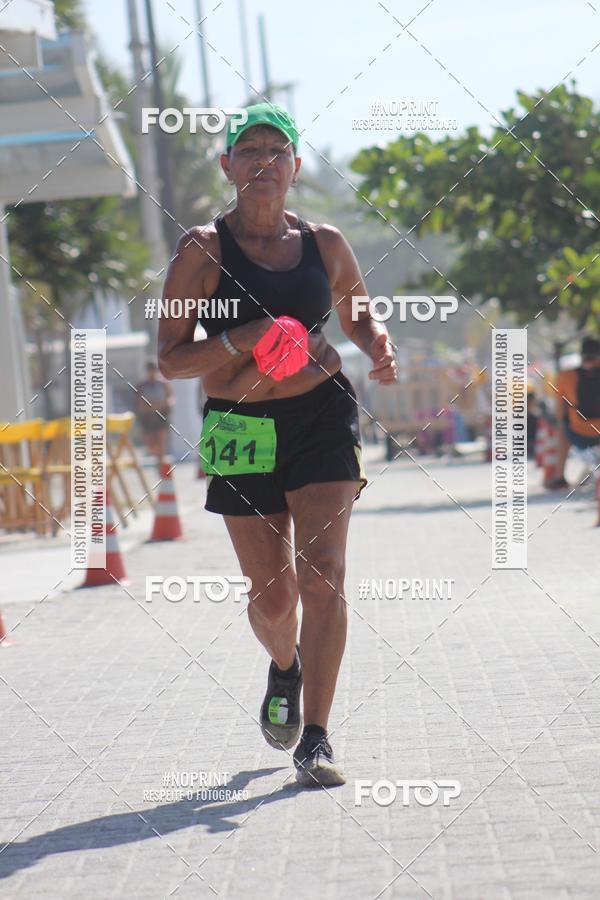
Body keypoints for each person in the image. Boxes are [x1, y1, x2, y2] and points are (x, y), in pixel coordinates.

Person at [158, 103, 397, 787]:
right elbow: (172, 361)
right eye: (250, 150)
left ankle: (316, 738)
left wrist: (378, 345)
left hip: (321, 415)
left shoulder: (323, 242)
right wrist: (247, 335)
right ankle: (284, 667)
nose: (264, 161)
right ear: (228, 166)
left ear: (295, 166)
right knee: (271, 599)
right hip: (239, 426)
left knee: (324, 573)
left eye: (278, 150)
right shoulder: (202, 251)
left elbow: (357, 311)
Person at [550, 336, 600, 489]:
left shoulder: (566, 376)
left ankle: (559, 477)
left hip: (578, 432)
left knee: (562, 428)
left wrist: (560, 423)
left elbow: (559, 412)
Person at [135, 361, 174, 469]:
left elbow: (170, 398)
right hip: (147, 417)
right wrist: (150, 407)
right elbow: (139, 403)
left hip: (161, 416)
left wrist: (164, 405)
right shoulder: (142, 385)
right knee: (151, 444)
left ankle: (161, 465)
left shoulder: (163, 384)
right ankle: (158, 459)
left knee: (161, 442)